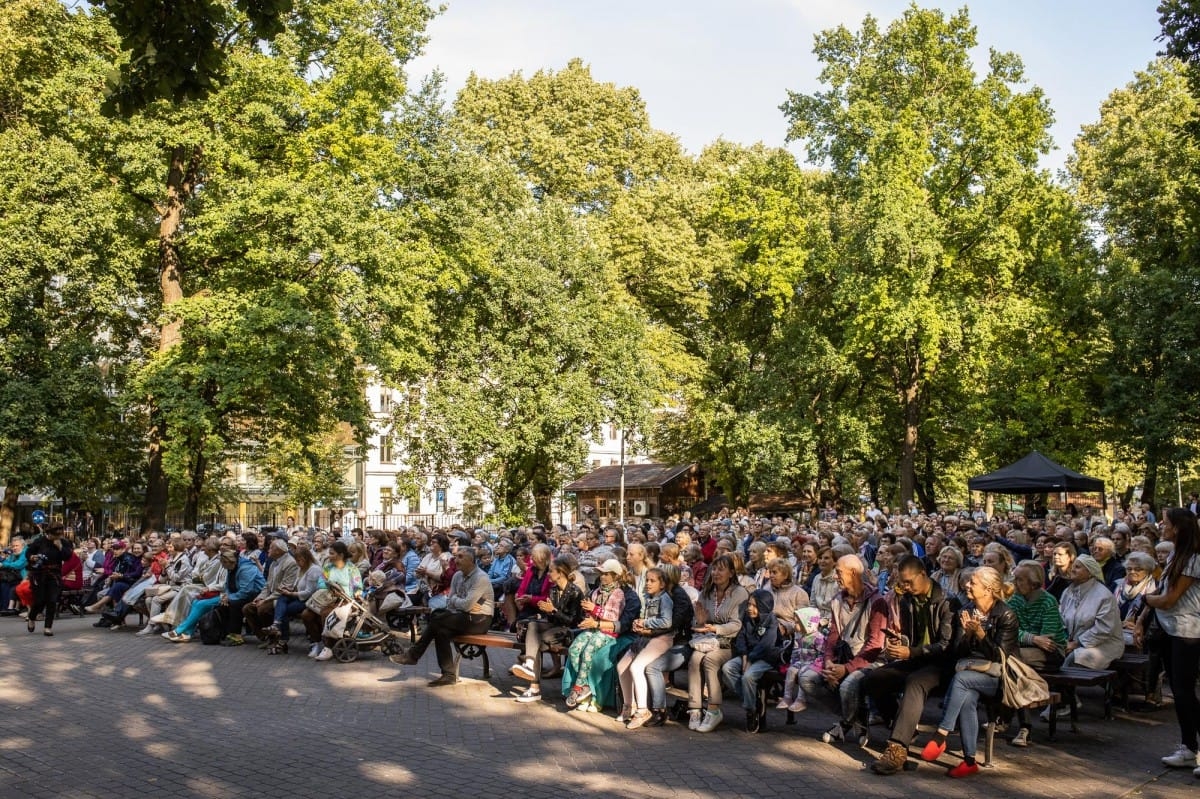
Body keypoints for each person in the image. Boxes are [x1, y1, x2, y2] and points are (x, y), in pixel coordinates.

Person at [918, 566, 1019, 778]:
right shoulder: (966, 611)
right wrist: (967, 636)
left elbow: (1001, 655)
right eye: (968, 582)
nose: (967, 586)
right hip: (970, 670)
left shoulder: (1006, 615)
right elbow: (958, 652)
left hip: (1001, 676)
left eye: (973, 583)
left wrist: (981, 635)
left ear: (989, 589)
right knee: (967, 696)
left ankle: (941, 733)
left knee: (962, 681)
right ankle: (969, 760)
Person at [865, 555, 956, 775]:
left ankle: (897, 748)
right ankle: (901, 726)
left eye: (908, 582)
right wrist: (899, 643)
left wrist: (911, 651)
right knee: (873, 678)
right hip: (916, 659)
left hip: (942, 665)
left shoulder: (948, 602)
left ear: (923, 575)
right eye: (901, 582)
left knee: (915, 683)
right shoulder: (907, 600)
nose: (904, 587)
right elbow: (910, 637)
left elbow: (946, 645)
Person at [1137, 507, 1200, 773]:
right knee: (1178, 690)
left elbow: (1168, 598)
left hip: (1188, 630)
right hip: (1170, 627)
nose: (1161, 526)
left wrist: (1145, 599)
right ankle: (1188, 747)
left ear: (1177, 528)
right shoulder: (1176, 554)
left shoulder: (1193, 559)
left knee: (1185, 691)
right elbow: (1162, 592)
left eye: (1165, 523)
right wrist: (1142, 616)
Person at [803, 554, 889, 746]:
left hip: (870, 661)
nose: (835, 576)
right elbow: (833, 637)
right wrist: (829, 663)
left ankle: (845, 723)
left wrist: (847, 669)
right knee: (806, 678)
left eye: (839, 572)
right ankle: (858, 716)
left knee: (848, 685)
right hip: (844, 657)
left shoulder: (877, 601)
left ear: (853, 573)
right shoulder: (837, 600)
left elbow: (875, 645)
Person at [388, 546, 495, 686]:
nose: (456, 560)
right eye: (456, 556)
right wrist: (460, 602)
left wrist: (459, 601)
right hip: (461, 616)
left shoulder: (481, 578)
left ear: (471, 560)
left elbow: (465, 605)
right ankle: (448, 675)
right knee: (440, 629)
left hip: (480, 619)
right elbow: (450, 602)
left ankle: (413, 655)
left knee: (437, 617)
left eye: (460, 557)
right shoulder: (457, 576)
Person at [687, 554, 750, 733]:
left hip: (730, 641)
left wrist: (714, 628)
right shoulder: (707, 592)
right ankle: (695, 709)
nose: (715, 573)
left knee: (710, 661)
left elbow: (737, 624)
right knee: (694, 659)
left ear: (731, 573)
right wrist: (700, 622)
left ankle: (714, 710)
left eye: (721, 569)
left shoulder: (740, 593)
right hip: (706, 639)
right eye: (714, 569)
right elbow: (697, 621)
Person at [1007, 559, 1066, 746]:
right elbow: (1009, 630)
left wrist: (1023, 637)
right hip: (1022, 653)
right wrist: (1032, 639)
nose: (1015, 584)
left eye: (1019, 580)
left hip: (1052, 654)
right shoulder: (1015, 599)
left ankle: (1008, 720)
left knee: (1010, 660)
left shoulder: (1048, 602)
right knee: (1015, 669)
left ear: (1033, 583)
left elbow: (1047, 640)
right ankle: (1023, 727)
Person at [512, 556, 585, 704]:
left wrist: (553, 611)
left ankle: (534, 687)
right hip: (553, 627)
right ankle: (530, 664)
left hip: (568, 630)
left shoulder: (575, 592)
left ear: (560, 573)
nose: (548, 574)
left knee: (536, 641)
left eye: (551, 571)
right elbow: (550, 618)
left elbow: (573, 621)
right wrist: (545, 612)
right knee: (532, 625)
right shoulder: (553, 590)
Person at [561, 559, 628, 710]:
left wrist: (595, 609)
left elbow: (614, 617)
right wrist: (588, 613)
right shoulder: (597, 591)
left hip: (608, 632)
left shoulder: (618, 594)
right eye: (601, 574)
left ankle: (578, 688)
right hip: (593, 628)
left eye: (606, 574)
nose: (602, 577)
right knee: (574, 649)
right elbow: (591, 613)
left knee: (589, 651)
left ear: (615, 576)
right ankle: (585, 685)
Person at [616, 566, 676, 728]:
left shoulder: (665, 599)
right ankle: (629, 705)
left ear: (662, 584)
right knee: (622, 666)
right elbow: (644, 618)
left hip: (661, 638)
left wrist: (645, 623)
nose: (648, 583)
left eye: (652, 581)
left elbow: (666, 621)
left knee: (637, 667)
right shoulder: (649, 597)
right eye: (647, 580)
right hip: (646, 637)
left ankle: (643, 710)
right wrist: (638, 623)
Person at [720, 588, 781, 732]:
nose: (749, 608)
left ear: (763, 607)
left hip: (766, 658)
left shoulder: (772, 621)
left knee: (748, 676)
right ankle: (753, 703)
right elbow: (741, 637)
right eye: (749, 604)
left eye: (754, 606)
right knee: (727, 669)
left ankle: (750, 711)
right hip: (748, 655)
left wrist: (751, 659)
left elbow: (766, 645)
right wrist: (744, 655)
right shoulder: (748, 618)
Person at [242, 538, 299, 642]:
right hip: (270, 596)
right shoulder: (273, 563)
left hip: (283, 597)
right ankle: (263, 636)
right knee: (247, 608)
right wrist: (260, 597)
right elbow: (267, 585)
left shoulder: (290, 563)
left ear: (278, 551)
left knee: (263, 609)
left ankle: (274, 638)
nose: (268, 550)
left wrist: (266, 600)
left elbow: (285, 587)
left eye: (271, 548)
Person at [22, 525, 74, 636]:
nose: (56, 537)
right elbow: (28, 552)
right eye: (54, 535)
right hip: (39, 574)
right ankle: (32, 617)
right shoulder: (40, 541)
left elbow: (68, 557)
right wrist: (32, 557)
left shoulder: (63, 542)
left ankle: (48, 627)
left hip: (54, 574)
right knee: (39, 600)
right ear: (49, 533)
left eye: (58, 535)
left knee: (52, 600)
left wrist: (60, 547)